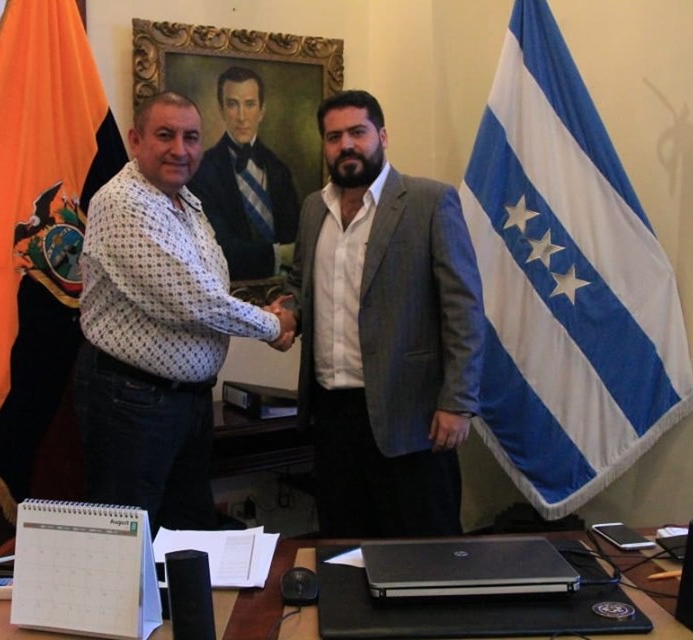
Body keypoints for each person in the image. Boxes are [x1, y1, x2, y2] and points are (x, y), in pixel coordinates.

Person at [74, 91, 295, 534]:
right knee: (128, 541)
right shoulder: (123, 202)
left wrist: (261, 312)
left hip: (183, 402)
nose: (180, 149)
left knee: (186, 535)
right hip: (132, 401)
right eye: (165, 135)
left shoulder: (185, 202)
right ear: (136, 140)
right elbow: (191, 299)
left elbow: (209, 287)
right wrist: (273, 323)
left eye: (191, 137)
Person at [285, 90, 485, 538]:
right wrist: (287, 314)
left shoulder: (430, 202)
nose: (346, 145)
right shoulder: (314, 208)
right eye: (334, 137)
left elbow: (464, 309)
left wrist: (458, 402)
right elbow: (301, 285)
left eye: (357, 132)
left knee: (424, 552)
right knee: (343, 547)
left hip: (412, 415)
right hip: (331, 416)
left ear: (382, 136)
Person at [188, 65, 301, 281]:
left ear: (262, 111)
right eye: (233, 104)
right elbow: (215, 250)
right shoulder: (202, 172)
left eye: (250, 104)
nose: (242, 116)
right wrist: (280, 255)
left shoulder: (279, 170)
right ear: (221, 110)